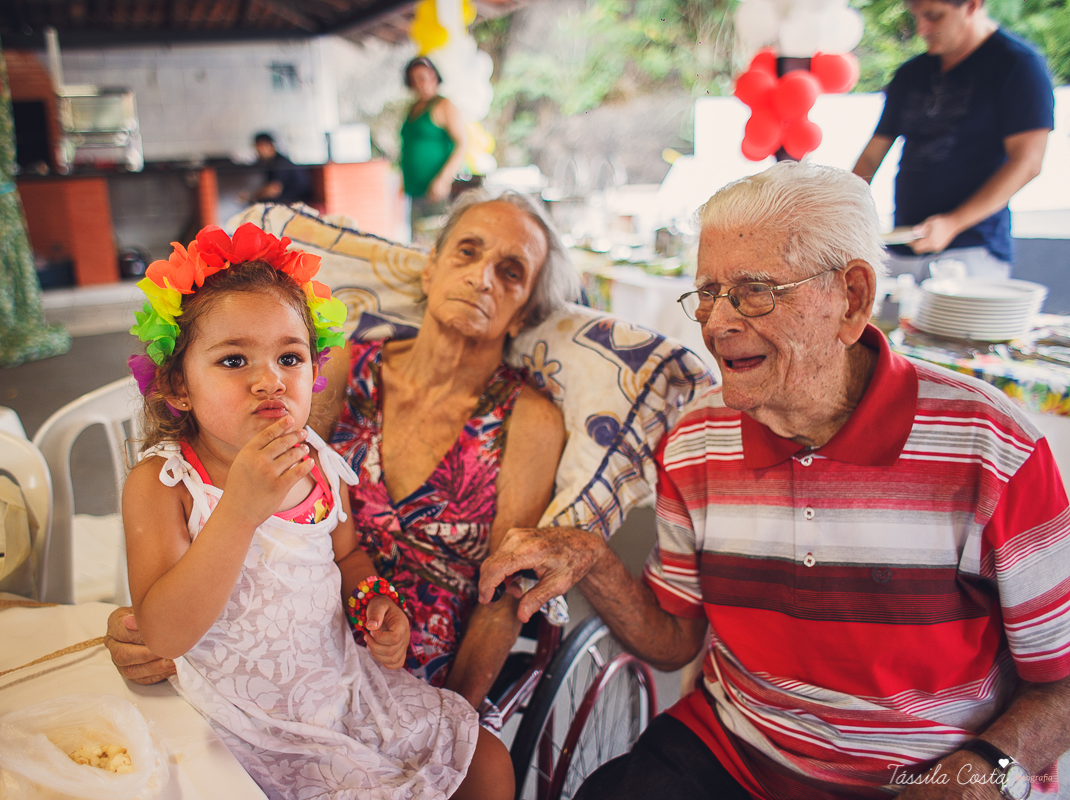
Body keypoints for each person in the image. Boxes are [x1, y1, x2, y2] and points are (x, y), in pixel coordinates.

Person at [481, 162, 1070, 800]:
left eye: (754, 290)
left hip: (924, 772)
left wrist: (986, 771)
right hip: (734, 750)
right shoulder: (696, 440)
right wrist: (593, 558)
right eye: (707, 292)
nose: (715, 323)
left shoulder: (991, 446)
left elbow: (1060, 681)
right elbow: (676, 639)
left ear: (851, 297)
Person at [107, 191, 580, 721]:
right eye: (467, 251)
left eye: (511, 271)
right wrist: (147, 624)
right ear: (430, 270)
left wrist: (458, 715)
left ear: (524, 313)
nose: (482, 277)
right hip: (263, 652)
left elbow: (502, 592)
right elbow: (229, 473)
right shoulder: (346, 365)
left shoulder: (528, 419)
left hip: (400, 655)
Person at [122, 222, 512, 799]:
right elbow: (163, 631)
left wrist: (374, 603)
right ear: (178, 387)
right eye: (233, 361)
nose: (269, 381)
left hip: (336, 685)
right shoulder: (166, 483)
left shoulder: (321, 464)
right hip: (240, 718)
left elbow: (347, 554)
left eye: (290, 356)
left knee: (488, 764)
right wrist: (240, 512)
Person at [852, 0, 1054, 280]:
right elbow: (872, 157)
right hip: (900, 248)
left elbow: (1028, 161)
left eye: (933, 17)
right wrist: (843, 212)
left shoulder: (1017, 65)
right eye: (917, 17)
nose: (922, 28)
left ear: (971, 6)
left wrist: (953, 224)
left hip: (972, 250)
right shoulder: (911, 73)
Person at [400, 56, 468, 244]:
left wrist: (443, 179)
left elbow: (461, 144)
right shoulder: (414, 107)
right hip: (415, 189)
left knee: (439, 241)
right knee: (418, 242)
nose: (419, 84)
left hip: (437, 190)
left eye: (423, 78)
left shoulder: (444, 104)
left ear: (434, 77)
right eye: (414, 80)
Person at [252, 132, 313, 206]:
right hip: (286, 202)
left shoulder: (280, 163)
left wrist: (252, 197)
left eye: (260, 147)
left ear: (269, 145)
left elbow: (273, 190)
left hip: (295, 203)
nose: (258, 151)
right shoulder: (271, 162)